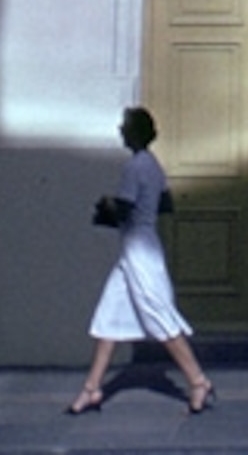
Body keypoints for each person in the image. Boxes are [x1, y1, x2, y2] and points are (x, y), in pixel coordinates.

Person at [68, 107, 212, 416]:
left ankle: (198, 381)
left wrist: (106, 205)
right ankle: (92, 388)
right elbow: (165, 203)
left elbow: (122, 209)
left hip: (139, 252)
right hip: (138, 248)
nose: (120, 131)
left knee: (159, 315)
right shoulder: (153, 165)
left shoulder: (135, 167)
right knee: (108, 316)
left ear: (134, 133)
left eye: (124, 127)